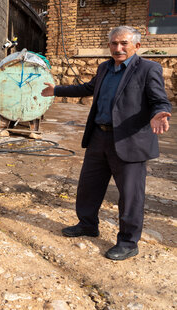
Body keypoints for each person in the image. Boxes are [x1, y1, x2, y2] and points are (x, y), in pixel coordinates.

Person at [41, 26, 171, 261]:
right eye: (113, 43)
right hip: (99, 137)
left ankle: (129, 242)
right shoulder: (104, 68)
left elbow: (159, 99)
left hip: (129, 140)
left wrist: (160, 112)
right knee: (89, 186)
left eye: (123, 43)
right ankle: (87, 224)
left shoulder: (148, 69)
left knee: (130, 195)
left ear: (136, 46)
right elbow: (87, 88)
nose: (118, 48)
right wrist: (56, 90)